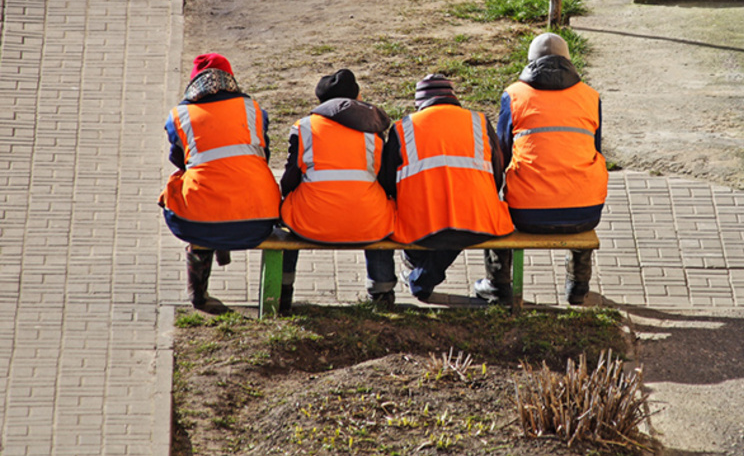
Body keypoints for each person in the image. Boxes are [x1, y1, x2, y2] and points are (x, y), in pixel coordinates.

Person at [473, 32, 607, 306]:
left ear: (530, 62)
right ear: (568, 61)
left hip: (526, 213)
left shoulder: (514, 95)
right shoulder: (590, 96)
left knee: (496, 205)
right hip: (586, 210)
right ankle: (578, 285)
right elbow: (596, 149)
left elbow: (503, 153)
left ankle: (497, 284)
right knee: (580, 186)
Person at [159, 53, 282, 312]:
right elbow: (264, 155)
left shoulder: (180, 115)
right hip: (259, 219)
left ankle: (199, 295)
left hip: (199, 225)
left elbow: (178, 159)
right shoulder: (254, 110)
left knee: (183, 184)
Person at [279, 69, 401, 311]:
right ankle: (382, 293)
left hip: (310, 222)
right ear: (356, 97)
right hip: (368, 223)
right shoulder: (374, 131)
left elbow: (290, 178)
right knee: (381, 212)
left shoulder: (304, 127)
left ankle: (282, 291)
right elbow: (386, 180)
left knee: (283, 220)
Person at [393, 74, 513, 301]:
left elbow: (390, 182)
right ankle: (422, 279)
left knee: (441, 227)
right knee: (461, 223)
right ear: (453, 98)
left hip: (422, 222)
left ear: (419, 103)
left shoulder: (403, 128)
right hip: (479, 219)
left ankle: (419, 278)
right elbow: (497, 173)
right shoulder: (479, 121)